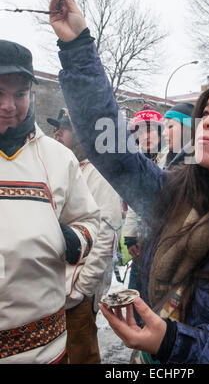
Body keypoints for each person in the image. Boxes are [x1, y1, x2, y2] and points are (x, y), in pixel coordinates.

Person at [50, 0, 209, 364]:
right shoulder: (170, 195)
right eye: (206, 113)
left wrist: (173, 342)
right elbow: (110, 147)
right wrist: (77, 46)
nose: (208, 123)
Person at [0, 39, 99, 364]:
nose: (9, 105)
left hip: (42, 350)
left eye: (19, 94)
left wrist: (69, 240)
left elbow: (91, 221)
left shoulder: (58, 158)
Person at [47, 108, 122, 364]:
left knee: (82, 356)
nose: (56, 133)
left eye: (64, 128)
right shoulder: (65, 166)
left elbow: (105, 235)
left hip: (76, 292)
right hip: (54, 288)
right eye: (56, 128)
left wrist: (82, 290)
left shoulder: (100, 173)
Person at [123, 105, 164, 323]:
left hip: (164, 247)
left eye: (150, 130)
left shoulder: (170, 161)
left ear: (160, 133)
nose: (145, 136)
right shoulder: (136, 163)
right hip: (142, 247)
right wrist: (130, 236)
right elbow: (133, 203)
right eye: (140, 131)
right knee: (137, 303)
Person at [162, 102, 194, 168]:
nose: (163, 133)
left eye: (170, 126)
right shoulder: (164, 159)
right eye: (164, 127)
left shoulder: (196, 168)